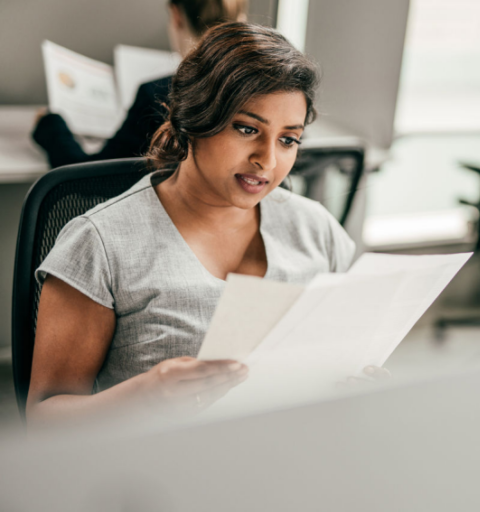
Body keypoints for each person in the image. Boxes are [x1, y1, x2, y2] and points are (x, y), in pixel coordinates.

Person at [26, 22, 383, 428]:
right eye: (247, 129)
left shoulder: (315, 228)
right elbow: (44, 424)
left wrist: (357, 383)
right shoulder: (101, 244)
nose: (267, 160)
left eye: (288, 140)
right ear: (192, 119)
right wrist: (144, 395)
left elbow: (340, 357)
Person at [32, 0, 248, 169]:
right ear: (241, 17)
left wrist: (51, 126)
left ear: (175, 15)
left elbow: (90, 176)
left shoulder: (158, 94)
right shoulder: (255, 90)